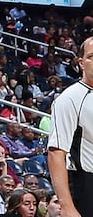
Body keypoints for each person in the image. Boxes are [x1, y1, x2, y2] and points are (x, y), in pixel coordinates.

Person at [47, 35, 93, 217]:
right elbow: (56, 152)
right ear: (81, 63)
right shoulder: (69, 99)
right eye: (91, 56)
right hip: (86, 183)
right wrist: (67, 207)